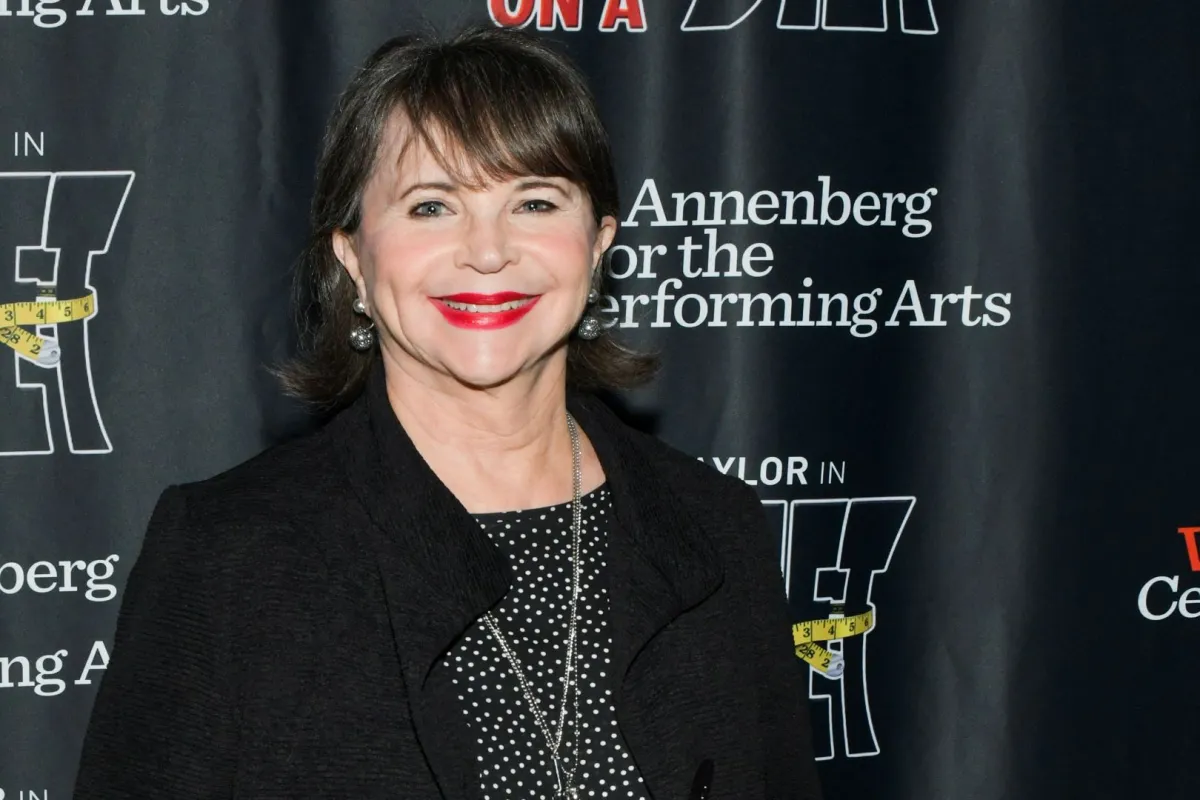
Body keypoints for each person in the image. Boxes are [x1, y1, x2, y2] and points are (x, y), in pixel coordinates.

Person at [73, 25, 824, 800]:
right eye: (432, 206)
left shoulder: (715, 525)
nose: (488, 251)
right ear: (352, 258)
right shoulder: (231, 552)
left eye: (535, 201)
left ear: (598, 246)